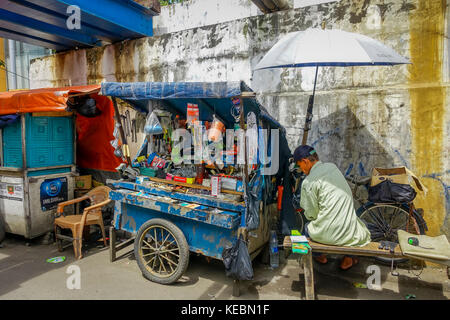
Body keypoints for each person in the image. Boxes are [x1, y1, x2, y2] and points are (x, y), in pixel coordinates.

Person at [293, 145, 371, 270]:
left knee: (305, 229)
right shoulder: (333, 167)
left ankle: (314, 258)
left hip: (327, 235)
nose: (300, 169)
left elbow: (311, 214)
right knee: (363, 225)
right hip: (350, 235)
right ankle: (348, 259)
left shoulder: (308, 182)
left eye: (299, 165)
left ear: (305, 162)